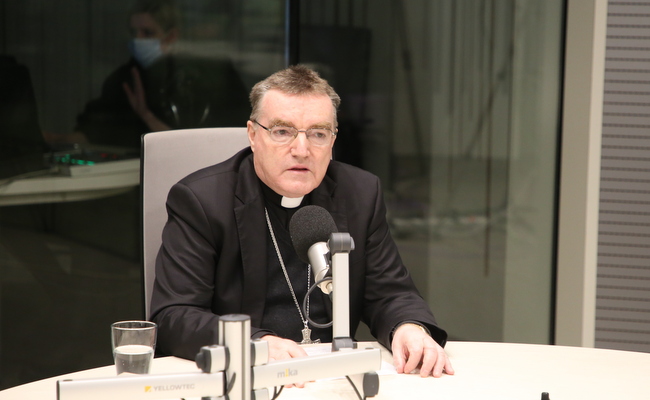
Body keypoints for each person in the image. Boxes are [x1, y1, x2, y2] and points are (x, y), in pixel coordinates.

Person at [150, 65, 454, 378]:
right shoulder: (203, 201)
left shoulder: (360, 193)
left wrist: (408, 327)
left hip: (330, 375)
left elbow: (390, 292)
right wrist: (256, 344)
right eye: (282, 132)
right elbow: (174, 315)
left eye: (318, 134)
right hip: (247, 377)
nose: (301, 150)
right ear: (253, 135)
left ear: (332, 140)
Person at [72, 0, 249, 149]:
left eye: (147, 33)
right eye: (134, 32)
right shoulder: (126, 78)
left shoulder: (204, 75)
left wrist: (146, 115)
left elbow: (194, 148)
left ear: (171, 36)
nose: (138, 40)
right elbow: (97, 129)